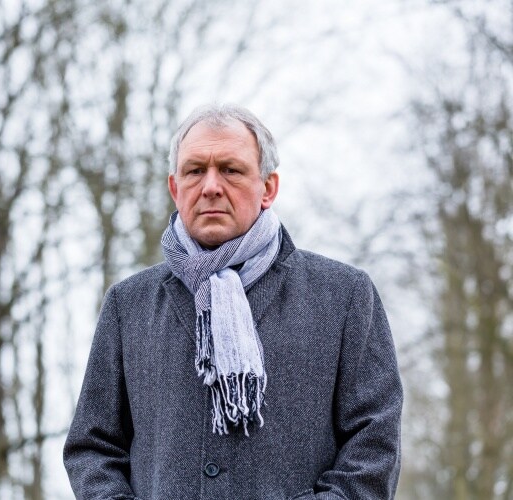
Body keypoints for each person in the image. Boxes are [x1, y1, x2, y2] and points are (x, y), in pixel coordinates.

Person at [63, 104, 403, 500]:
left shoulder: (344, 296)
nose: (210, 186)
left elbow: (374, 446)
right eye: (194, 171)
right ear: (175, 188)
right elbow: (92, 447)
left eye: (230, 169)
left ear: (268, 188)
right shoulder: (128, 305)